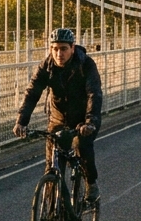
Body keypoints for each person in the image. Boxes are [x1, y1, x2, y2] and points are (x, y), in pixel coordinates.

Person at [14, 28, 104, 206]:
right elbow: (32, 92)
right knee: (52, 168)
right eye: (54, 49)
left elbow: (94, 94)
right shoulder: (46, 66)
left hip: (84, 120)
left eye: (63, 48)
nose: (58, 53)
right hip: (57, 119)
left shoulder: (86, 64)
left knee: (82, 147)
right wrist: (21, 121)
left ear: (72, 47)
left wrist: (90, 122)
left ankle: (91, 184)